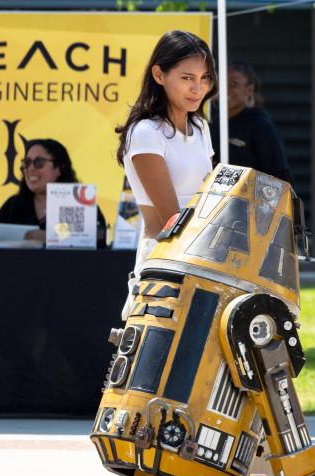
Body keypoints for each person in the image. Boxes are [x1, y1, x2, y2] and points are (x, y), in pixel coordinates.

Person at [115, 30, 217, 316]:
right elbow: (170, 219)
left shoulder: (200, 128)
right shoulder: (146, 132)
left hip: (203, 257)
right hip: (164, 261)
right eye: (187, 78)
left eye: (205, 78)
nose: (198, 88)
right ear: (159, 75)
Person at [211, 60, 292, 183]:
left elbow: (279, 177)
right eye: (220, 83)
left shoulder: (261, 126)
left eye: (233, 84)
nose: (225, 89)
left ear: (249, 89)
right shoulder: (211, 123)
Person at [0, 139, 76, 243]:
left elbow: (96, 234)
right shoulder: (14, 205)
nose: (30, 168)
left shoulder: (78, 205)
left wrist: (51, 237)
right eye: (27, 163)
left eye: (39, 162)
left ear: (59, 168)